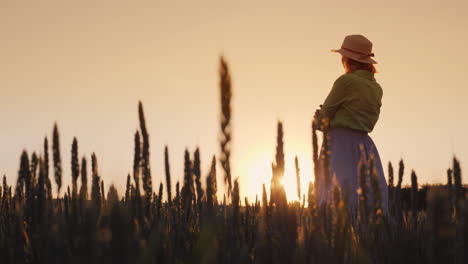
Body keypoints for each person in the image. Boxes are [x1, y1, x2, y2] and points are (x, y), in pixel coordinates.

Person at [313, 34, 388, 215]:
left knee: (334, 198)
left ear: (347, 59)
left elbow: (323, 118)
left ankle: (338, 242)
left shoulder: (345, 81)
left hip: (339, 143)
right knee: (368, 200)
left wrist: (319, 117)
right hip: (366, 146)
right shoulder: (377, 88)